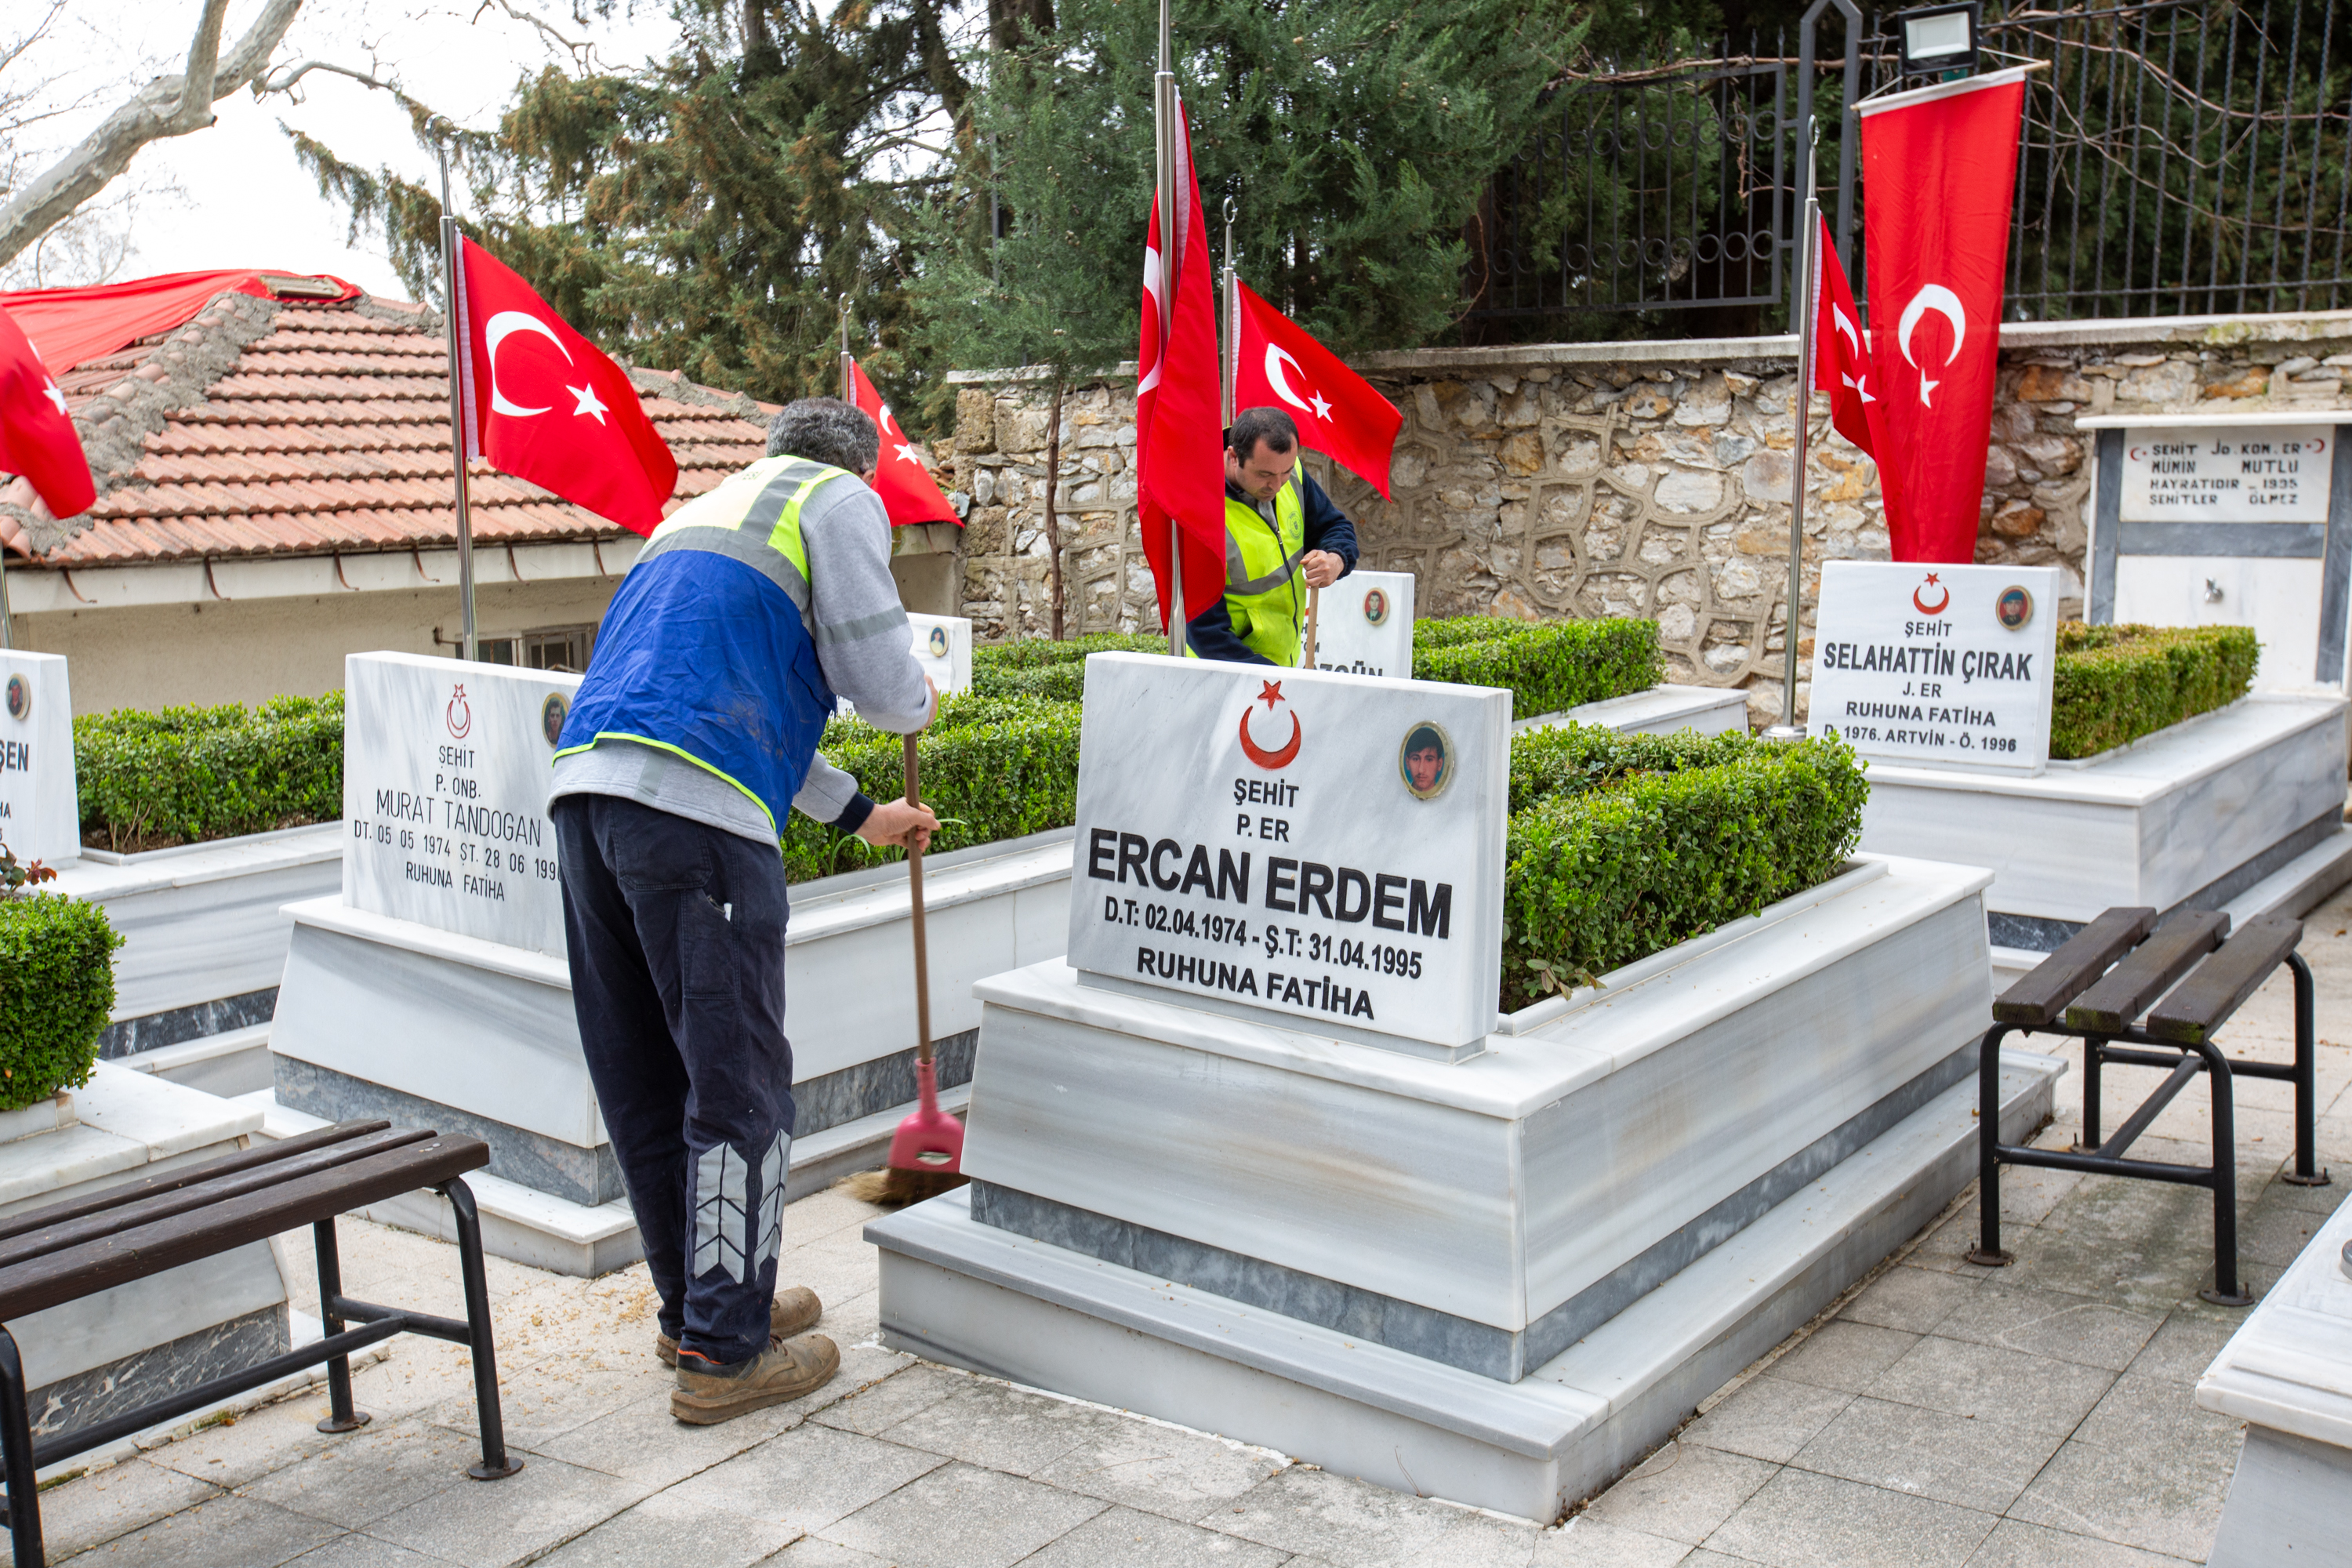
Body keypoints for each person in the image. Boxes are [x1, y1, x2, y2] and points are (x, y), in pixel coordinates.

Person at [548, 397, 939, 1425]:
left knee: (644, 1077)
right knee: (740, 1086)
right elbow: (888, 687)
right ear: (854, 467)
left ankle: (702, 1309)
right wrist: (918, 700)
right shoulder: (839, 499)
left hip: (591, 797)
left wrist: (860, 815)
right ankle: (725, 1357)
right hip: (696, 820)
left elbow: (732, 703)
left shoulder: (702, 512)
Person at [1185, 405, 1361, 666]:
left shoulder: (1291, 473)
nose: (1277, 485)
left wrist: (1335, 559)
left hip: (1278, 675)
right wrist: (1275, 683)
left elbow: (1336, 528)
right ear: (1233, 456)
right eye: (1265, 475)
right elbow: (1205, 635)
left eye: (1285, 471)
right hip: (1225, 678)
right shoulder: (1199, 511)